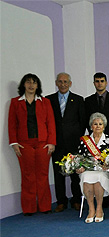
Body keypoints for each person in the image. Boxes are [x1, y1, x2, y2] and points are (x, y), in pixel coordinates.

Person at [8, 73, 56, 215]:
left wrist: (51, 142)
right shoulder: (15, 102)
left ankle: (45, 206)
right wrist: (14, 143)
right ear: (23, 85)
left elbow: (51, 123)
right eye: (28, 82)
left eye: (34, 82)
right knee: (27, 175)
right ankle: (28, 208)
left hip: (43, 144)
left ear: (37, 86)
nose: (31, 85)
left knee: (42, 175)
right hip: (24, 144)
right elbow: (12, 124)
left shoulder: (45, 102)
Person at [46, 72, 86, 212]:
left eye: (65, 82)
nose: (63, 84)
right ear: (56, 83)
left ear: (70, 84)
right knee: (58, 173)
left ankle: (76, 200)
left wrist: (76, 137)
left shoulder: (78, 100)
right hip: (56, 143)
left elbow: (82, 122)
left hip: (73, 143)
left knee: (75, 173)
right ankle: (61, 201)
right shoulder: (48, 100)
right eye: (60, 82)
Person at [76, 113, 109, 223]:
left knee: (99, 178)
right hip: (88, 169)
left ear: (104, 126)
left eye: (100, 124)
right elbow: (80, 157)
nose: (98, 126)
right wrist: (80, 167)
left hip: (104, 170)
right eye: (95, 124)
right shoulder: (84, 140)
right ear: (91, 126)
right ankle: (91, 209)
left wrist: (107, 165)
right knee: (85, 177)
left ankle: (99, 208)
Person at [84, 72, 109, 147]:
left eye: (102, 81)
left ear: (106, 83)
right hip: (94, 138)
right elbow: (86, 119)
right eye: (97, 81)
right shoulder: (88, 100)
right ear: (94, 83)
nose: (100, 83)